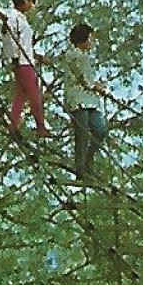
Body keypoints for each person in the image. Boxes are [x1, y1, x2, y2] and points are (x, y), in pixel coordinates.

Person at [58, 22, 113, 178]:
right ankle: (81, 167)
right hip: (77, 99)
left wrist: (96, 86)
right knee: (82, 134)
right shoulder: (73, 55)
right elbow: (85, 79)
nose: (92, 42)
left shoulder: (84, 56)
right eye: (90, 39)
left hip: (90, 100)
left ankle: (88, 162)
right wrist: (97, 87)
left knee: (99, 130)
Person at [1, 0, 47, 136]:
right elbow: (11, 40)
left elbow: (24, 43)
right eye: (30, 1)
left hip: (26, 60)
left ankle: (13, 124)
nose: (31, 5)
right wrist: (14, 57)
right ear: (23, 0)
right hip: (22, 63)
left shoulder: (21, 19)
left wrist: (35, 55)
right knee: (34, 94)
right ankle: (41, 126)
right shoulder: (13, 18)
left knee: (20, 95)